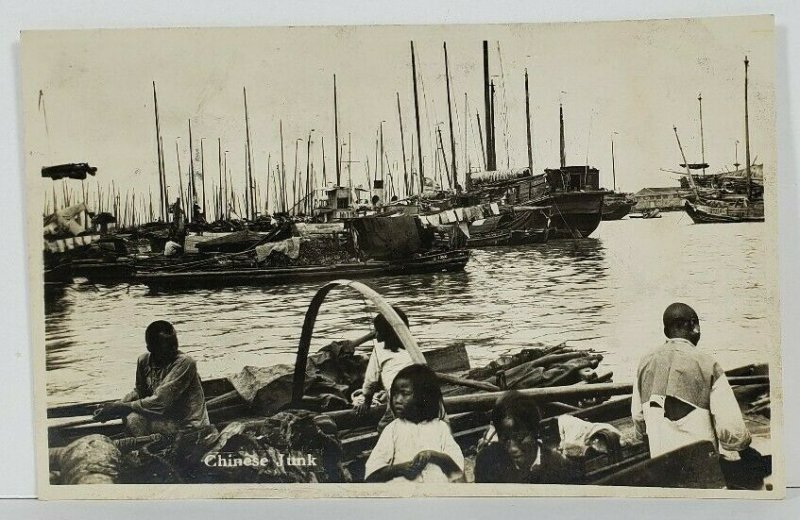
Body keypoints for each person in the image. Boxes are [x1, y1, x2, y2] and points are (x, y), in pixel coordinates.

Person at [631, 303, 751, 458]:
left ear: (666, 331)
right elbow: (733, 432)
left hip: (661, 467)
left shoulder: (645, 363)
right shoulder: (707, 364)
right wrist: (744, 447)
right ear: (694, 325)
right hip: (703, 470)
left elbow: (638, 417)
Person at [93, 320, 211, 438]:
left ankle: (143, 450)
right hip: (164, 418)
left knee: (134, 418)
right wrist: (113, 407)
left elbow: (160, 402)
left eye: (174, 345)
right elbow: (140, 393)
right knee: (131, 415)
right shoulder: (143, 361)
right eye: (167, 347)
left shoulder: (185, 362)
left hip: (189, 426)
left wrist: (120, 407)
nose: (173, 349)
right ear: (150, 348)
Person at [364, 364, 464, 483]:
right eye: (395, 394)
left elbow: (456, 470)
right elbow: (372, 473)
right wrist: (400, 469)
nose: (397, 400)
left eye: (405, 394)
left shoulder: (440, 428)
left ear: (423, 396)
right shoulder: (392, 429)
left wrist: (433, 455)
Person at [474, 391, 581, 484]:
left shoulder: (561, 469)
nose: (512, 448)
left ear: (535, 431)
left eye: (519, 437)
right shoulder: (486, 462)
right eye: (505, 439)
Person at [355, 307, 415, 432]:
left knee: (383, 428)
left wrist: (366, 401)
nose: (375, 334)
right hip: (416, 392)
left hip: (398, 397)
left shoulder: (379, 349)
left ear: (385, 333)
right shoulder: (411, 345)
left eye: (377, 331)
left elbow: (371, 380)